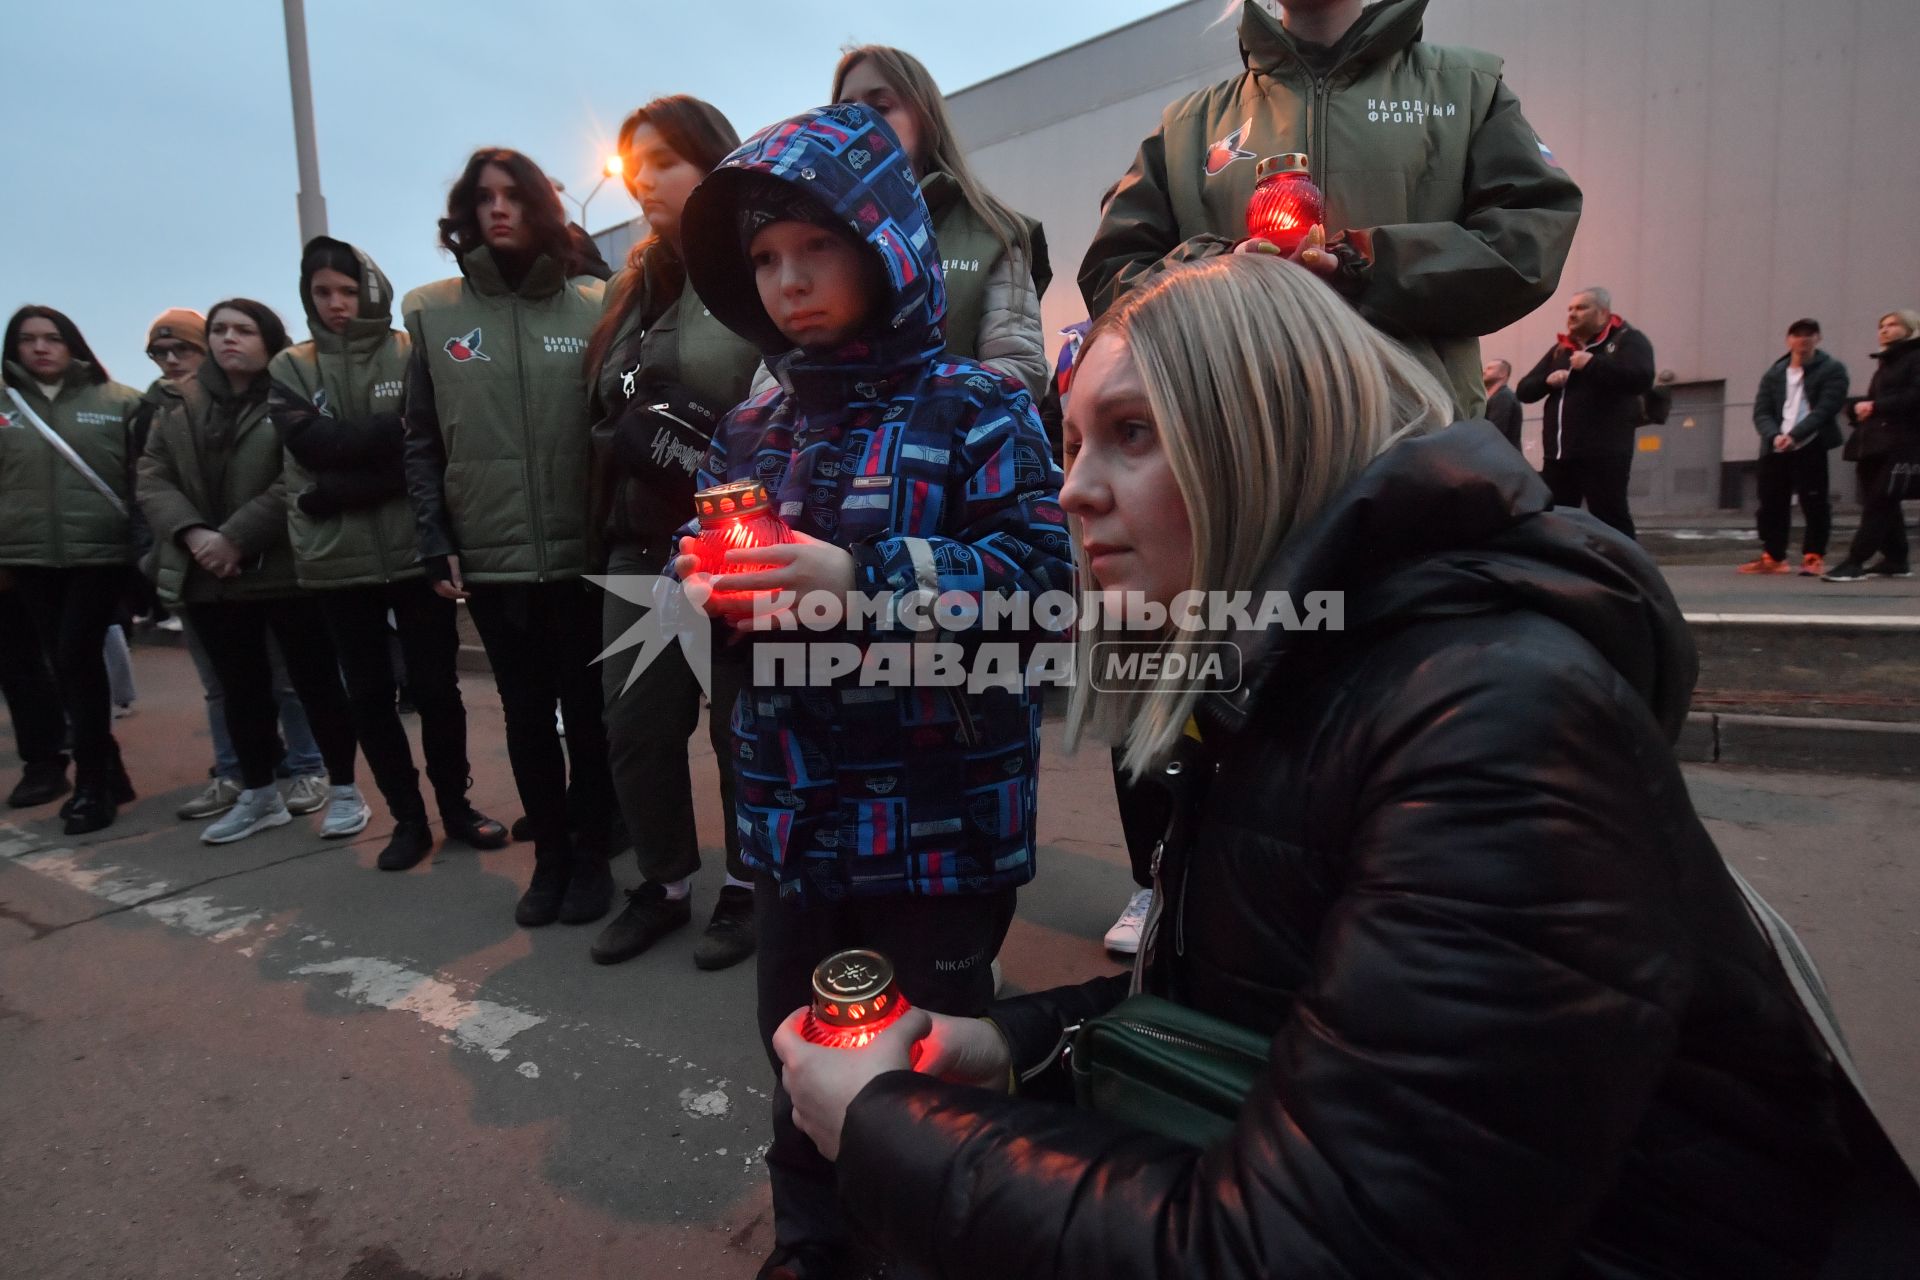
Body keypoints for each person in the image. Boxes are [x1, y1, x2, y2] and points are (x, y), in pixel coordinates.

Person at [771, 254, 1903, 1279]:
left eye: (1131, 432)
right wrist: (1014, 1047)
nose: (1071, 489)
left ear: (1261, 436)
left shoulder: (1490, 722)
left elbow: (1315, 1244)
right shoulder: (1292, 672)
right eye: (1072, 442)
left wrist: (888, 1126)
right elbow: (1252, 1004)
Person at [676, 102, 1072, 1279]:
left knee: (916, 1075)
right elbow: (692, 556)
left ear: (887, 247)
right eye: (763, 259)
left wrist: (868, 576)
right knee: (799, 1049)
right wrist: (701, 580)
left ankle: (924, 1247)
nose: (788, 280)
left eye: (815, 247)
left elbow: (1038, 582)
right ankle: (810, 1243)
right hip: (794, 821)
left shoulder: (977, 405)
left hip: (940, 825)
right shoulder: (751, 423)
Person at [1079, 0, 1581, 419]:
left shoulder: (1468, 89)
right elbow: (1114, 277)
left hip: (1419, 442)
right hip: (1241, 456)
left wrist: (1361, 265)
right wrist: (1228, 274)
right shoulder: (1187, 127)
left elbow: (1528, 239)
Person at [402, 147, 615, 926]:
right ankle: (551, 858)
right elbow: (421, 438)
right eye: (482, 197)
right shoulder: (432, 312)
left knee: (587, 717)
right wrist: (434, 533)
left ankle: (593, 856)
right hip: (491, 558)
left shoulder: (599, 301)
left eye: (513, 195)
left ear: (541, 207)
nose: (498, 209)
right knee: (525, 717)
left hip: (580, 555)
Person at [582, 96, 763, 969]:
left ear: (711, 161)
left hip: (731, 543)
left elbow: (781, 406)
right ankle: (661, 883)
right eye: (633, 163)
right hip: (640, 541)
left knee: (740, 731)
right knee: (637, 727)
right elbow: (597, 409)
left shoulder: (750, 264)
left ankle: (750, 888)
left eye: (661, 160)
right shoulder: (632, 282)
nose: (643, 179)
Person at [269, 236, 509, 870]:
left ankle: (456, 809)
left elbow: (424, 447)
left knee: (437, 689)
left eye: (348, 291)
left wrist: (336, 492)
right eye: (323, 292)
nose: (337, 304)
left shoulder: (410, 351)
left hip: (414, 552)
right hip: (336, 564)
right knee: (369, 694)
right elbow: (313, 446)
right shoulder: (291, 367)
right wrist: (386, 447)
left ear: (369, 291)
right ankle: (408, 818)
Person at [137, 299, 368, 845]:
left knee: (315, 684)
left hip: (287, 567)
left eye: (243, 330)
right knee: (239, 691)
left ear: (269, 340)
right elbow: (151, 476)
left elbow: (299, 474)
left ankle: (342, 790)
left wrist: (235, 537)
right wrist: (196, 535)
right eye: (218, 330)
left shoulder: (291, 394)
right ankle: (259, 793)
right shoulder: (179, 404)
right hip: (209, 574)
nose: (228, 339)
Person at [830, 44, 1051, 396]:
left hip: (952, 447)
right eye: (844, 113)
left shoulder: (992, 232)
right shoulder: (812, 234)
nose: (860, 122)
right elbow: (776, 379)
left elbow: (1018, 369)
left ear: (926, 120)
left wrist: (917, 424)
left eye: (881, 107)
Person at [0, 307, 143, 833]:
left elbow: (143, 477)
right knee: (67, 665)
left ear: (74, 343)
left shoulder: (120, 402)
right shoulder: (3, 405)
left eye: (52, 338)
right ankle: (108, 769)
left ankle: (91, 782)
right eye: (28, 340)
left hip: (100, 555)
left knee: (74, 657)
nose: (40, 348)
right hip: (29, 557)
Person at [1516, 285, 1655, 539]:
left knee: (1610, 517)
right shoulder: (1561, 349)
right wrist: (1547, 381)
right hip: (1559, 457)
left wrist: (1592, 363)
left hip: (1604, 455)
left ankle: (1623, 572)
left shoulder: (1628, 340)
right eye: (1570, 309)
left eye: (1581, 308)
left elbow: (1641, 378)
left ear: (1602, 313)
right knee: (1556, 520)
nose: (1572, 314)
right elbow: (1523, 390)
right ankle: (1563, 571)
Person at [1740, 319, 1847, 577]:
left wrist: (1796, 434)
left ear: (1818, 338)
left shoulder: (1832, 369)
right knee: (1771, 503)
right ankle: (1774, 556)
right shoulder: (1775, 373)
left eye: (1809, 334)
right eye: (1797, 335)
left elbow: (1826, 408)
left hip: (1811, 445)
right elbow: (1761, 411)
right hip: (1775, 448)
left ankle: (1813, 556)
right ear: (1788, 339)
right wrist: (1774, 435)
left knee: (1814, 502)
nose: (1803, 339)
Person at [1823, 309, 1920, 582]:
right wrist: (1857, 411)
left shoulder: (1915, 358)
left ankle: (1855, 560)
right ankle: (1897, 559)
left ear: (1910, 328)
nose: (1885, 329)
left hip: (1904, 443)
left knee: (1881, 500)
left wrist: (1876, 406)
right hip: (1876, 443)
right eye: (1882, 325)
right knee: (1882, 500)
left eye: (1892, 325)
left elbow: (1915, 396)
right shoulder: (1887, 362)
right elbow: (1877, 399)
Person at [1482, 356, 1523, 449]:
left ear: (1502, 373)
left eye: (1489, 369)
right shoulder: (1501, 396)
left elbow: (1494, 432)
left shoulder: (1503, 397)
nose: (1483, 371)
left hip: (1503, 458)